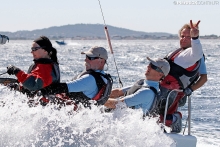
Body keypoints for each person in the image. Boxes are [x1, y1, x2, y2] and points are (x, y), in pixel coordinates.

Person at [158, 20, 207, 133]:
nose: (184, 39)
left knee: (159, 115)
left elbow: (204, 78)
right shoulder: (179, 52)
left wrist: (190, 90)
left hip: (176, 91)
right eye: (182, 36)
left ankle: (174, 119)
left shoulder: (196, 56)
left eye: (188, 37)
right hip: (165, 87)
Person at [40, 46, 113, 108]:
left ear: (101, 62)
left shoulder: (89, 79)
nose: (86, 59)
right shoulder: (105, 79)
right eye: (86, 56)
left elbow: (62, 88)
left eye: (91, 58)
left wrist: (38, 87)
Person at [104, 57, 170, 115]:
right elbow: (118, 92)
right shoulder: (142, 83)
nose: (148, 66)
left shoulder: (147, 92)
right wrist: (98, 94)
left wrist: (97, 99)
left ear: (160, 75)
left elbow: (118, 104)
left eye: (153, 66)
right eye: (150, 64)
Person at [6, 36, 60, 105]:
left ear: (45, 51)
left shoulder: (46, 68)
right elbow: (33, 87)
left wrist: (16, 71)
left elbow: (33, 85)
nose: (31, 52)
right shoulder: (41, 65)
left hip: (44, 109)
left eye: (35, 49)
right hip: (38, 106)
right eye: (32, 49)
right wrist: (18, 86)